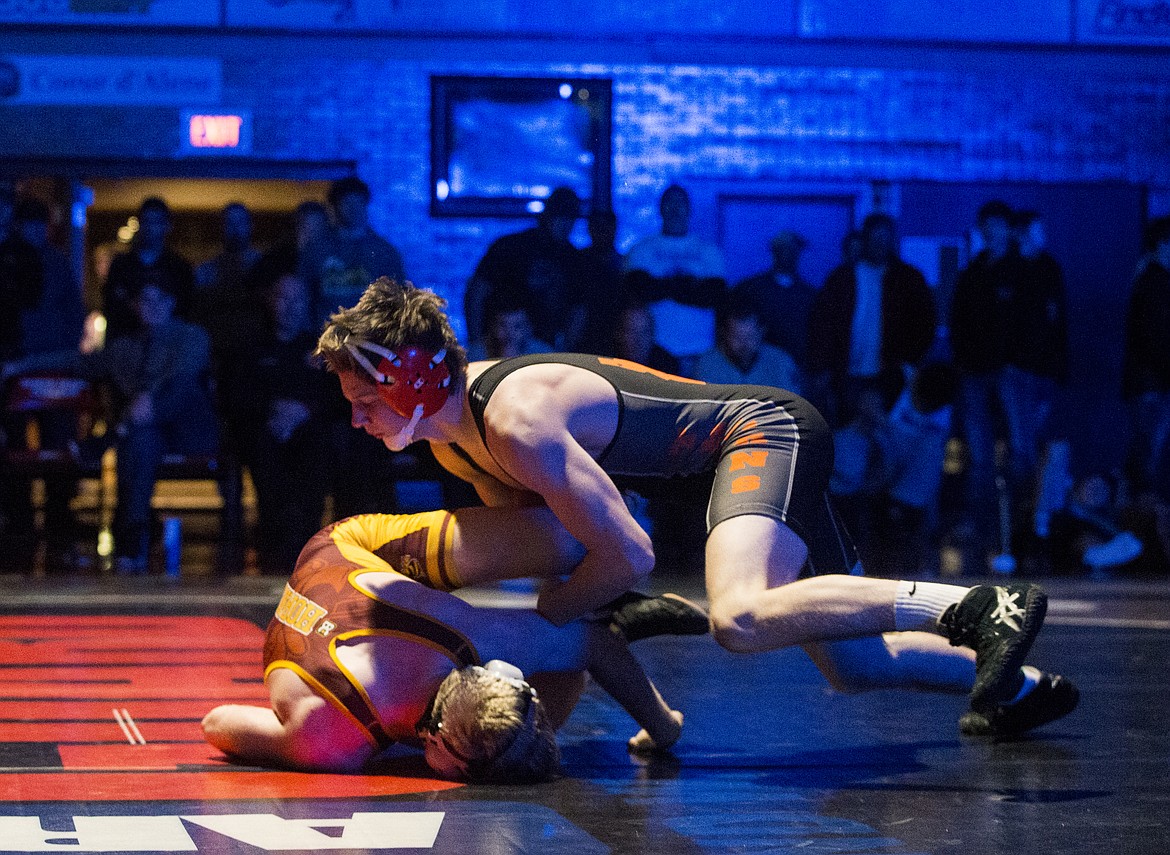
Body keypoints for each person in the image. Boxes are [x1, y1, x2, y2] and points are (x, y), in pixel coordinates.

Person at [314, 278, 1080, 739]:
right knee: (855, 663)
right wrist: (581, 626)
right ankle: (1019, 686)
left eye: (363, 400)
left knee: (740, 616)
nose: (355, 420)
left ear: (411, 380)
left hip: (758, 433)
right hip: (736, 464)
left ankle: (977, 605)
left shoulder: (513, 422)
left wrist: (557, 612)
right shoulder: (456, 445)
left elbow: (629, 551)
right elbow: (574, 550)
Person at [201, 508, 708, 779]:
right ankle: (595, 612)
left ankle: (591, 606)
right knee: (570, 623)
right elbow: (218, 723)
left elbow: (590, 648)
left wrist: (664, 728)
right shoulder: (330, 741)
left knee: (574, 543)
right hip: (340, 558)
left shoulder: (464, 641)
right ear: (439, 746)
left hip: (348, 561)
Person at [3, 277, 219, 571]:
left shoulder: (191, 336)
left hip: (185, 429)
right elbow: (74, 361)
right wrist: (17, 366)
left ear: (172, 303)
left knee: (146, 423)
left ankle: (131, 527)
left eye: (160, 300)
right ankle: (134, 530)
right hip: (141, 434)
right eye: (145, 300)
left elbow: (183, 375)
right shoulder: (124, 348)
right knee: (141, 438)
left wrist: (149, 403)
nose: (153, 307)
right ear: (134, 306)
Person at [226, 273, 331, 574]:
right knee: (263, 445)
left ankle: (307, 543)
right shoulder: (251, 347)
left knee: (318, 445)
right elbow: (237, 395)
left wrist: (303, 410)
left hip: (309, 427)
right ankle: (273, 547)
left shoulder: (322, 349)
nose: (290, 306)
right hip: (264, 428)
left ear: (307, 303)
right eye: (283, 298)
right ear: (271, 301)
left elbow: (334, 396)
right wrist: (273, 410)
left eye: (297, 299)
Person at [807, 212, 937, 428]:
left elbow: (924, 323)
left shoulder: (908, 280)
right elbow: (823, 324)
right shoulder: (842, 279)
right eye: (875, 237)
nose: (880, 244)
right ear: (865, 239)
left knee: (888, 434)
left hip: (891, 373)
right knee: (848, 434)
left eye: (885, 237)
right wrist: (823, 366)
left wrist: (909, 361)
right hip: (846, 373)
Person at [9, 197, 87, 555]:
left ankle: (58, 519)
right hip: (16, 367)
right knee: (14, 447)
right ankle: (19, 518)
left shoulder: (58, 264)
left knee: (58, 446)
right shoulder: (9, 260)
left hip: (52, 368)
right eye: (29, 225)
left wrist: (65, 353)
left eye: (39, 225)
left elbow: (73, 315)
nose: (34, 232)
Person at [948, 200, 1023, 554]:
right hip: (974, 374)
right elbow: (958, 321)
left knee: (1020, 455)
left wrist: (1026, 367)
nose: (992, 231)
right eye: (986, 224)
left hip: (1014, 374)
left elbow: (1038, 327)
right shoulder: (972, 272)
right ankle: (982, 533)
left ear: (1009, 229)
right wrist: (963, 363)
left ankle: (1020, 535)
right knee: (979, 460)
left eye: (998, 224)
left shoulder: (1025, 270)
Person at [623, 184, 727, 375]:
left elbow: (713, 296)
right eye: (669, 204)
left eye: (680, 204)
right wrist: (689, 285)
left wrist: (662, 285)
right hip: (654, 354)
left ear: (689, 209)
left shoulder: (709, 251)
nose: (675, 209)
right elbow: (641, 291)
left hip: (700, 351)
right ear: (660, 208)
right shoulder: (641, 250)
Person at [463, 187, 585, 350]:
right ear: (547, 216)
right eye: (560, 216)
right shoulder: (511, 247)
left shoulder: (573, 259)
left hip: (544, 349)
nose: (566, 223)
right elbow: (477, 293)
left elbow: (577, 311)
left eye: (571, 218)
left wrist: (567, 352)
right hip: (498, 344)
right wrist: (476, 341)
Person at [1122, 215, 1170, 566]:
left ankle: (1150, 538)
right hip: (1152, 385)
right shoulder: (1154, 283)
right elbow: (1154, 340)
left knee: (1152, 460)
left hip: (1153, 384)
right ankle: (1147, 540)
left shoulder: (1154, 280)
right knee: (1150, 462)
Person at [318, 177, 407, 326]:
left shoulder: (384, 251)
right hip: (326, 335)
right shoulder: (318, 249)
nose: (353, 208)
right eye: (347, 203)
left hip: (372, 337)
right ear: (336, 206)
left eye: (358, 202)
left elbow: (399, 299)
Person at [102, 197, 195, 340]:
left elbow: (187, 310)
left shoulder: (179, 267)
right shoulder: (121, 265)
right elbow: (110, 306)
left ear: (167, 225)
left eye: (156, 222)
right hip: (127, 344)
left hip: (166, 346)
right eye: (146, 221)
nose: (150, 227)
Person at [731, 230, 816, 372]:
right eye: (783, 249)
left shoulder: (809, 294)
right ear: (774, 251)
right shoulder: (751, 288)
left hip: (798, 367)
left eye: (792, 249)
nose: (787, 254)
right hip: (759, 367)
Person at [694, 292, 801, 392]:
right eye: (737, 337)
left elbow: (793, 405)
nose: (744, 344)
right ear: (725, 334)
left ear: (761, 332)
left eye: (750, 337)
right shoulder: (706, 364)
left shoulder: (781, 362)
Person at [465, 290, 552, 362]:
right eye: (503, 325)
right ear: (492, 326)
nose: (510, 334)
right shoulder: (475, 355)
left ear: (529, 328)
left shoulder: (543, 355)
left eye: (517, 327)